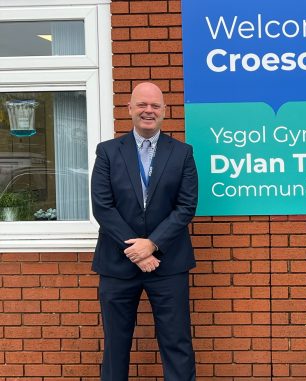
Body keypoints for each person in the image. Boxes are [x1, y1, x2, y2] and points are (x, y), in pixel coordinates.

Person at [91, 82, 198, 380]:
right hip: (117, 265)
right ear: (129, 109)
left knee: (177, 342)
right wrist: (137, 252)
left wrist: (152, 245)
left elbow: (186, 207)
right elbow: (103, 207)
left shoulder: (182, 154)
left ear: (164, 112)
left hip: (168, 264)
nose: (148, 111)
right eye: (142, 105)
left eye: (155, 106)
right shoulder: (108, 152)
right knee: (115, 345)